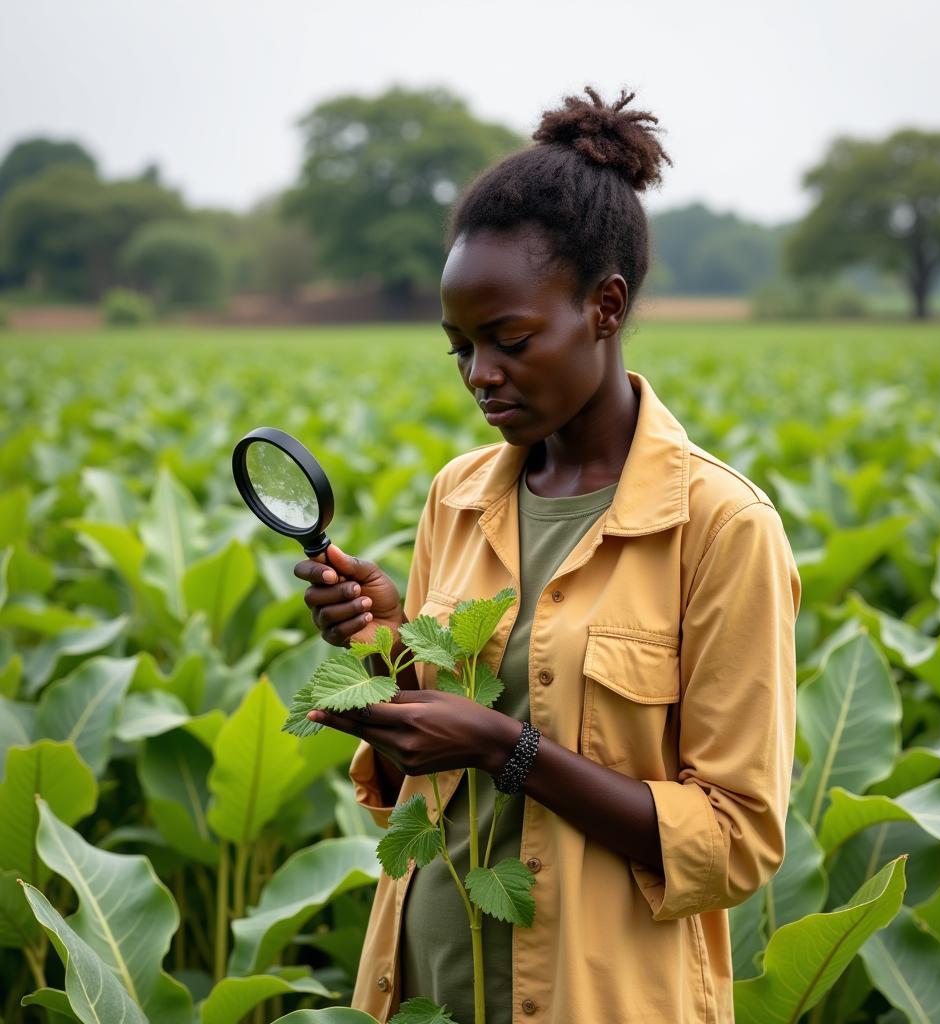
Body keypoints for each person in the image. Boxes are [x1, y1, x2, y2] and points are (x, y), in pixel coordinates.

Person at [293, 85, 801, 1024]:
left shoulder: (721, 527)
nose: (482, 375)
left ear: (605, 308)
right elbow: (419, 785)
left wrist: (507, 748)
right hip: (426, 989)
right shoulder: (460, 494)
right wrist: (383, 652)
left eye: (509, 340)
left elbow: (735, 841)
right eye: (460, 348)